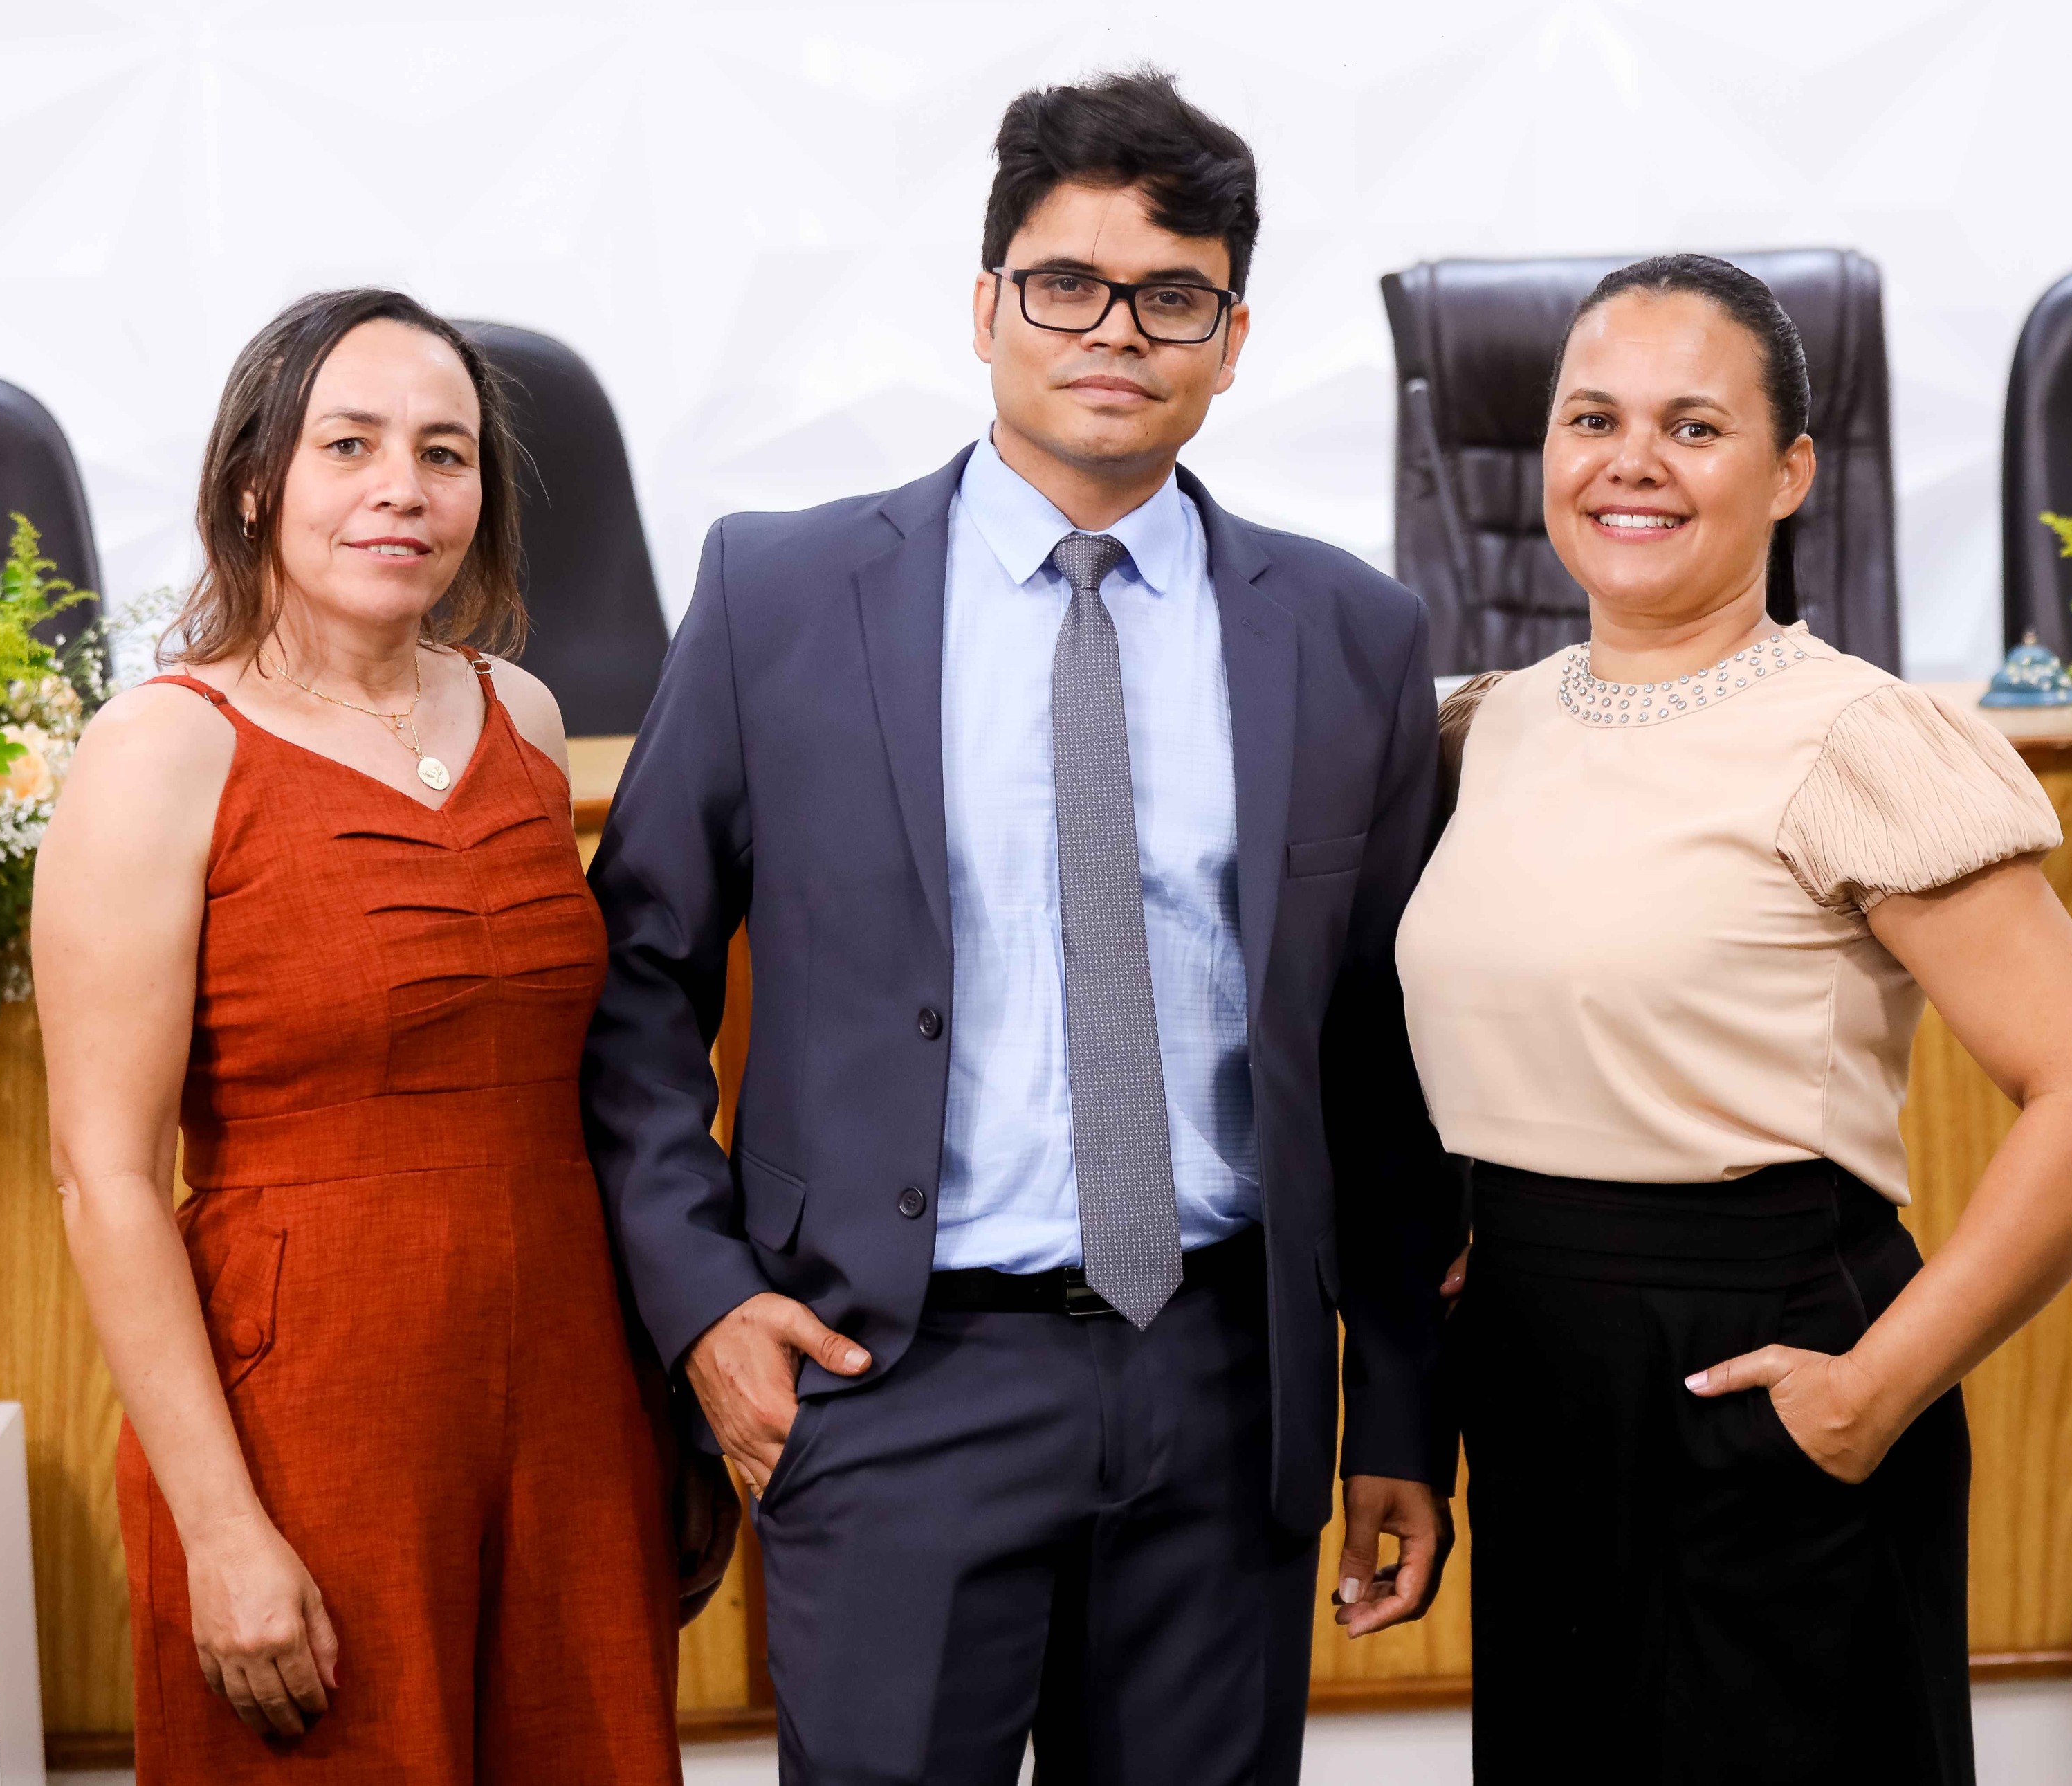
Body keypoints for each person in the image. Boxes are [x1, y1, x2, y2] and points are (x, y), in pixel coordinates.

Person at [584, 68, 1458, 1786]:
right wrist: (705, 1306)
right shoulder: (780, 596)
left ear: (1231, 340)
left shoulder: (1350, 635)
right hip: (891, 1374)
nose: (1114, 331)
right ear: (985, 307)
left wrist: (1404, 1409)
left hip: (1225, 1383)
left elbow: (1383, 1054)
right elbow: (636, 983)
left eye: (1172, 297)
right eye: (1066, 284)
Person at [1400, 254, 2072, 1785]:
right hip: (1537, 1378)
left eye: (1692, 426)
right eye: (1591, 419)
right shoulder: (1479, 725)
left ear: (1791, 473)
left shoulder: (1853, 735)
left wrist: (1870, 1393)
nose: (1630, 461)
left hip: (1761, 1364)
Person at [35, 289, 682, 1783]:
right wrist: (221, 1526)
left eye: (444, 453)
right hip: (306, 1408)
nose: (405, 486)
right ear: (254, 483)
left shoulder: (525, 716)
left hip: (570, 1392)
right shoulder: (162, 747)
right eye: (351, 445)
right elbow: (103, 1177)